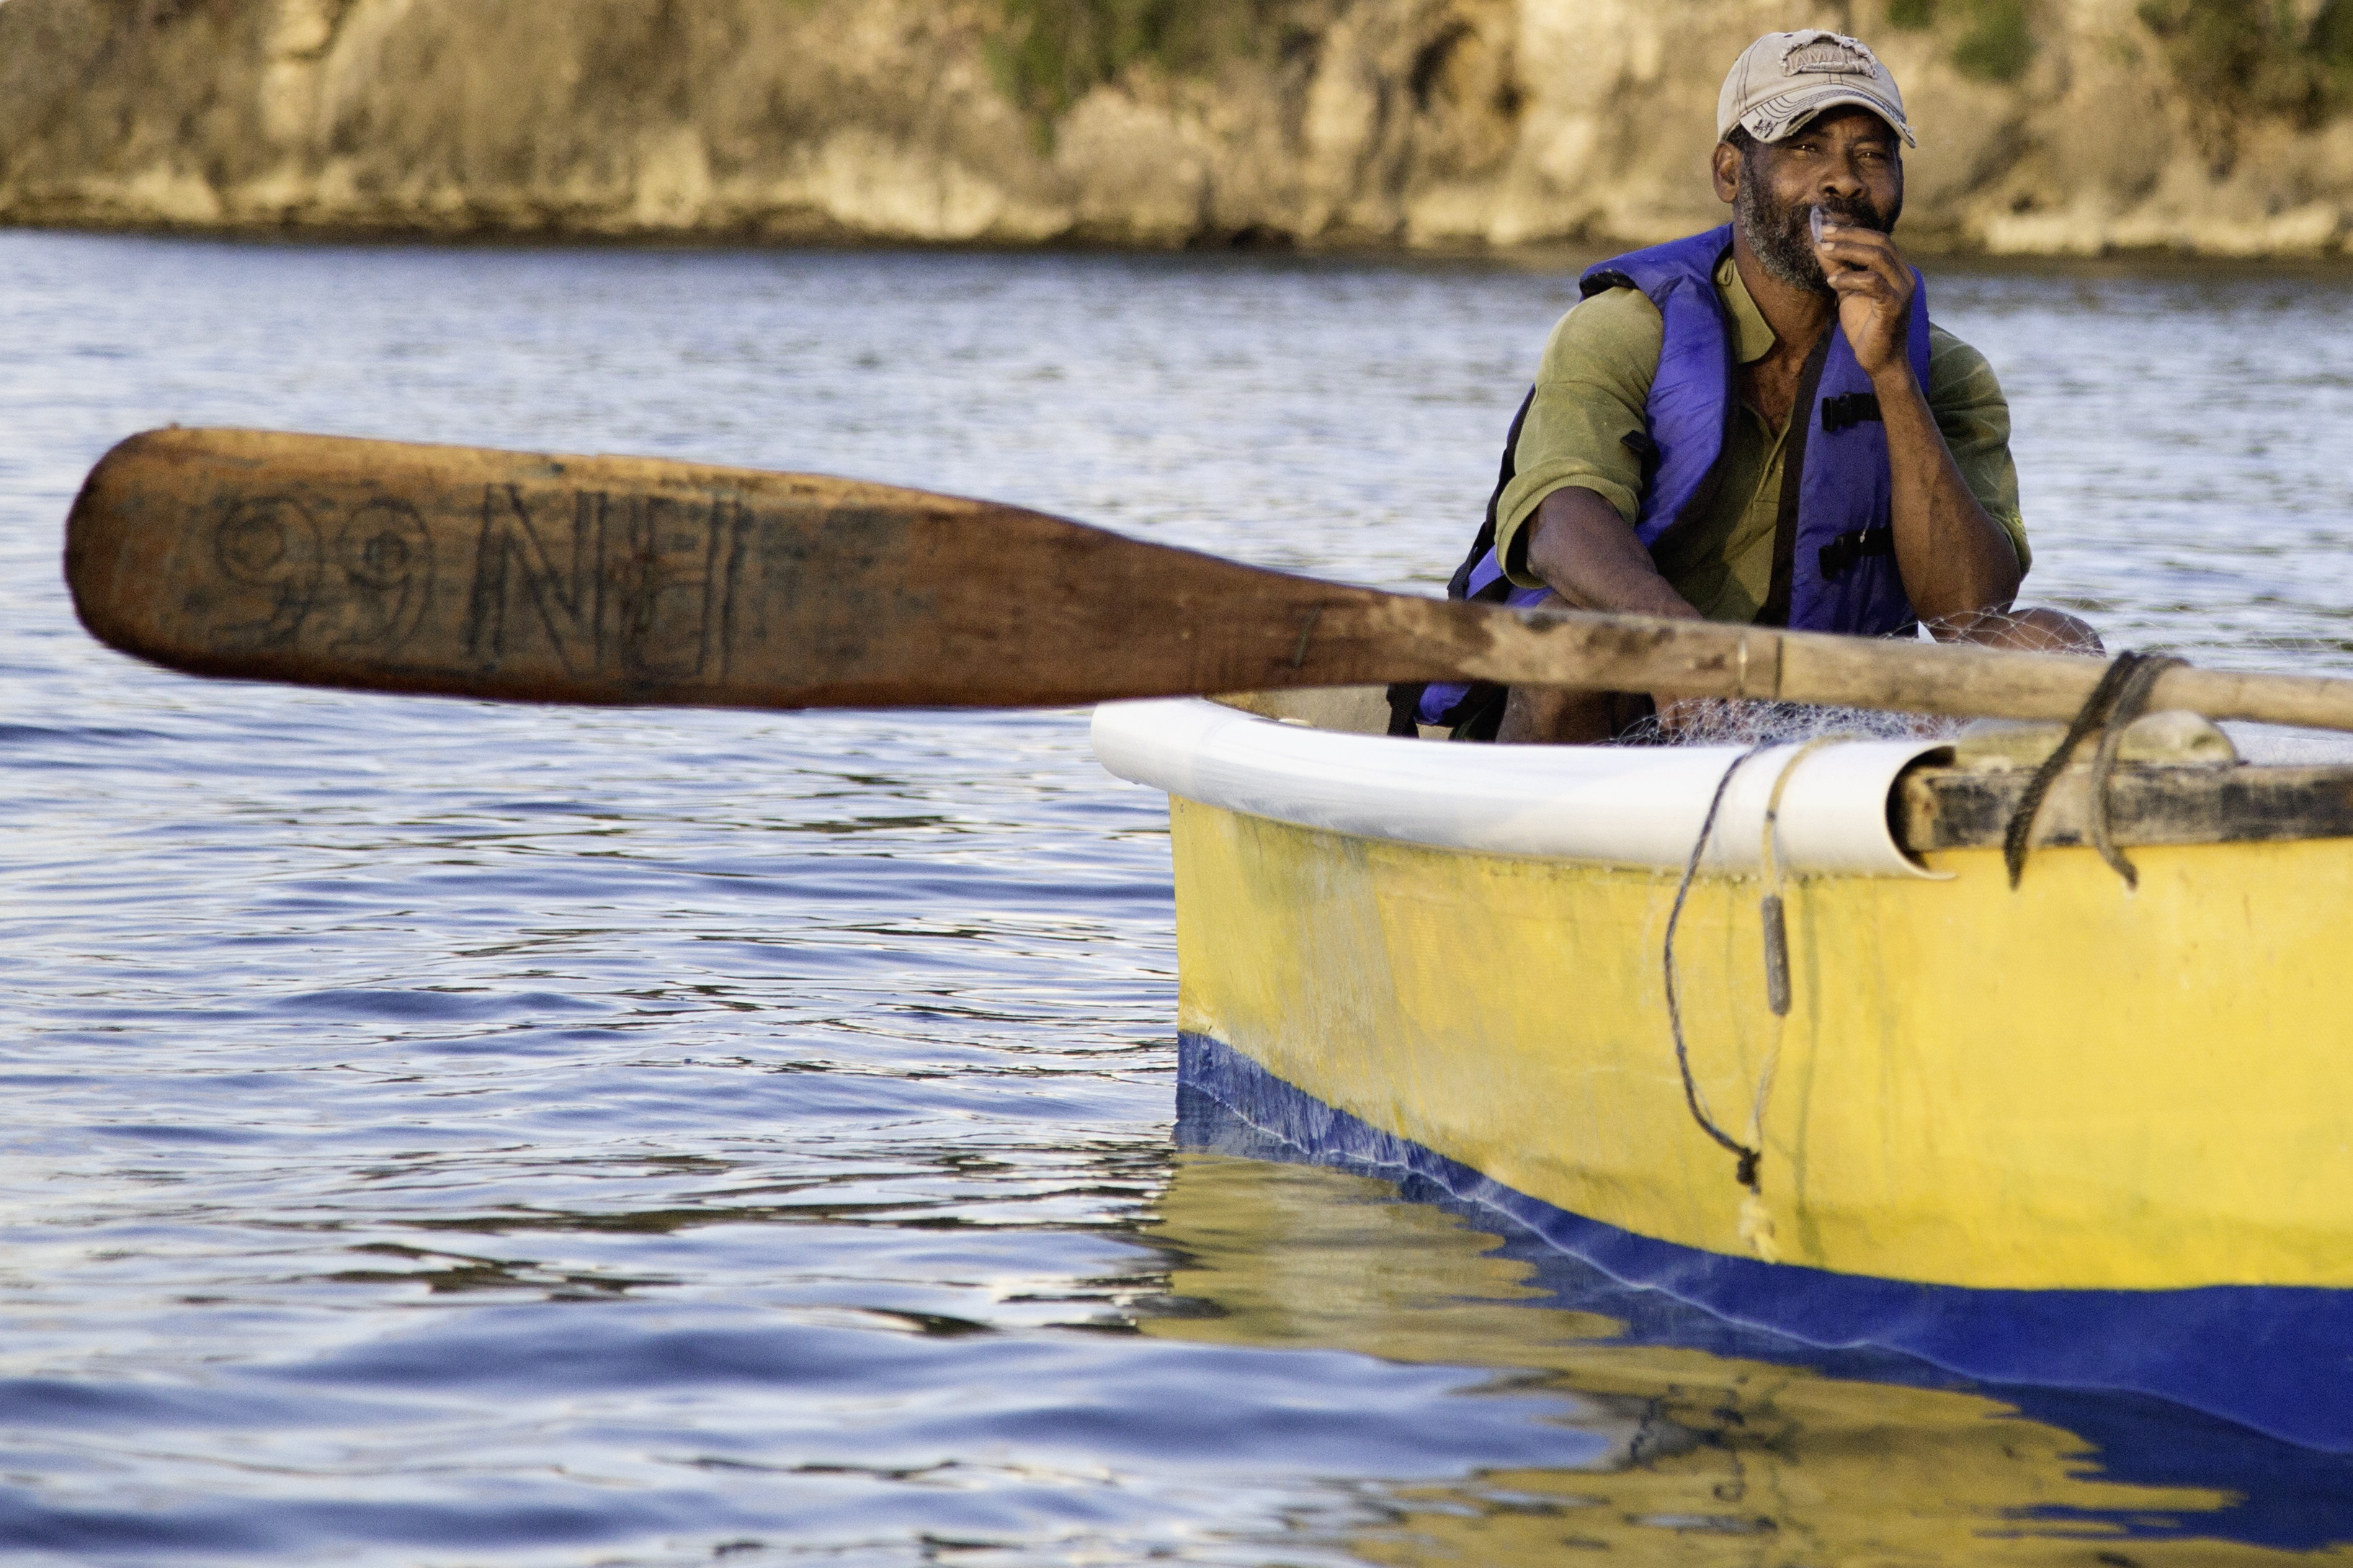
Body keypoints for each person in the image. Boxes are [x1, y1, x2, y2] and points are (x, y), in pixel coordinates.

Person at [1398, 29, 2094, 743]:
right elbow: (1556, 522)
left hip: (1831, 712)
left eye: (1869, 155)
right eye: (1803, 148)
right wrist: (1681, 647)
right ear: (1730, 173)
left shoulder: (1944, 372)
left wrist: (1889, 376)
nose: (1843, 180)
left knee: (2051, 644)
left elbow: (1966, 614)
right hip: (1644, 699)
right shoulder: (1622, 329)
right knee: (1570, 641)